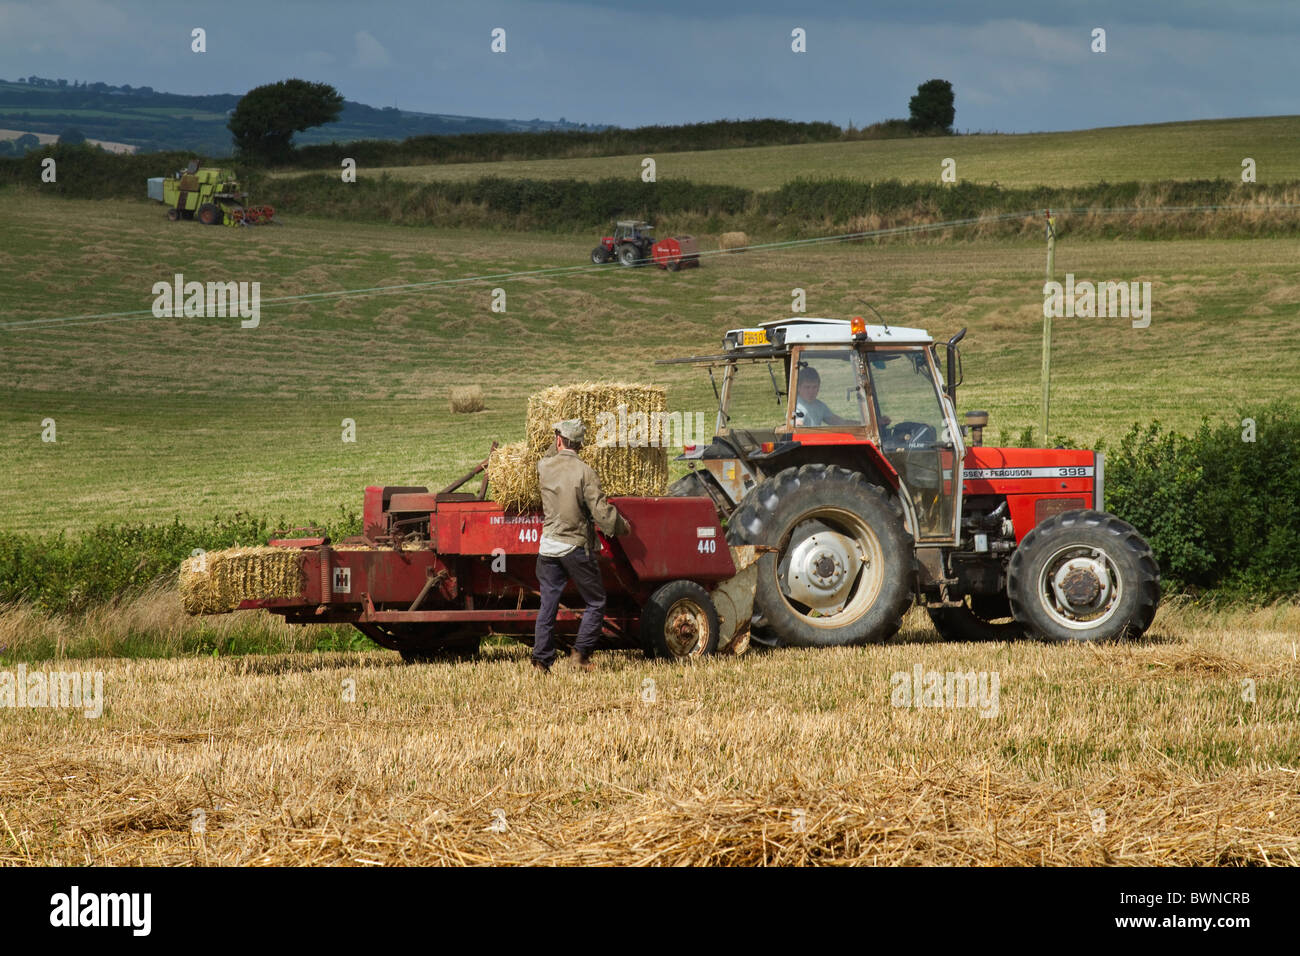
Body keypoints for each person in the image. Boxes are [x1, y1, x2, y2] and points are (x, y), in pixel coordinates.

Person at [532, 419, 630, 673]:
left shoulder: (543, 467)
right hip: (574, 547)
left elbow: (549, 453)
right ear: (581, 445)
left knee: (548, 604)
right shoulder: (586, 472)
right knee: (596, 601)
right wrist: (624, 526)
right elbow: (601, 513)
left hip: (547, 547)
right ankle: (580, 655)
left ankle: (541, 661)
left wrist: (557, 442)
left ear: (559, 440)